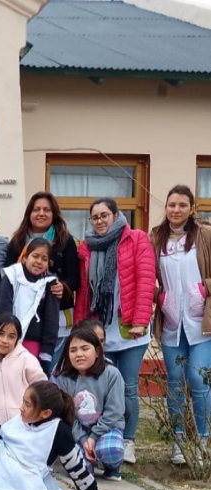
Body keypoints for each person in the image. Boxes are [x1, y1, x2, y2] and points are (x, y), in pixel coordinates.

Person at [75, 197, 155, 464]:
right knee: (103, 388)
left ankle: (128, 440)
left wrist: (141, 320)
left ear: (116, 215)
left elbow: (145, 281)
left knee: (128, 386)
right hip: (100, 331)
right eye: (95, 217)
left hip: (131, 327)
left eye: (104, 215)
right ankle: (106, 440)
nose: (99, 221)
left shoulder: (136, 239)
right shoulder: (86, 246)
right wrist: (81, 328)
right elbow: (84, 291)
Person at [0, 381, 117, 490]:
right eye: (23, 401)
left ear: (45, 413)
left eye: (27, 405)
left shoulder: (58, 430)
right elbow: (1, 435)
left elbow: (75, 464)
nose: (22, 407)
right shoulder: (24, 418)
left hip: (17, 474)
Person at [150, 184, 211, 464]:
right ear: (166, 208)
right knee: (174, 381)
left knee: (199, 380)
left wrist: (203, 289)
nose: (176, 210)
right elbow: (150, 275)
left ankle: (201, 441)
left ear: (191, 208)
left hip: (201, 322)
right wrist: (159, 296)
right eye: (171, 205)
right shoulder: (157, 237)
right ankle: (178, 441)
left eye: (182, 205)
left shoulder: (205, 235)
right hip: (172, 321)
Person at [6, 192, 80, 368]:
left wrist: (64, 287)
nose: (41, 213)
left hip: (56, 316)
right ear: (29, 213)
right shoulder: (17, 241)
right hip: (23, 316)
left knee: (51, 372)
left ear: (54, 214)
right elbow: (8, 275)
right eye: (36, 209)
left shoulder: (65, 240)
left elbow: (75, 277)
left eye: (47, 209)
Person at [54, 325, 126, 482]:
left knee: (110, 450)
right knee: (79, 467)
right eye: (73, 350)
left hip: (106, 430)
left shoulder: (111, 374)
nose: (79, 354)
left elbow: (114, 412)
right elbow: (66, 415)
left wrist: (93, 437)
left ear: (97, 351)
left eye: (85, 349)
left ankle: (112, 467)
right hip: (78, 434)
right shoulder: (63, 379)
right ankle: (89, 461)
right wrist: (83, 439)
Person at [0, 314, 46, 432]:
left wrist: (34, 415)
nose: (5, 340)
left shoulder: (26, 360)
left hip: (28, 429)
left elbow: (42, 390)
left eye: (11, 336)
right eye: (1, 334)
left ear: (17, 340)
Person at [0, 238, 60, 374]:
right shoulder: (12, 275)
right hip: (10, 342)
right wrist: (6, 338)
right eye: (35, 256)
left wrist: (46, 354)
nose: (39, 261)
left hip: (34, 345)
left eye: (44, 259)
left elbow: (52, 320)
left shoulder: (51, 283)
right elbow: (4, 310)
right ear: (25, 258)